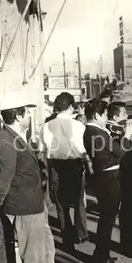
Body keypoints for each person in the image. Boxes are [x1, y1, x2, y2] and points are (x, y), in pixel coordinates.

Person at [0, 95, 71, 263]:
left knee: (46, 251)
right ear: (18, 115)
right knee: (34, 256)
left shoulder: (14, 137)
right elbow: (3, 180)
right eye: (27, 111)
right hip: (24, 207)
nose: (30, 115)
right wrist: (0, 207)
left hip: (34, 205)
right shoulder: (5, 140)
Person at [83, 99, 132, 263]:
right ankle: (101, 256)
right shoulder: (99, 133)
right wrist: (126, 135)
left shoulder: (92, 131)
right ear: (97, 115)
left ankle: (102, 254)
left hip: (104, 176)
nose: (106, 118)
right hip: (108, 177)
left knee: (107, 218)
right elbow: (120, 152)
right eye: (104, 115)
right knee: (108, 219)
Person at [42, 92, 91, 251]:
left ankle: (67, 238)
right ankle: (81, 233)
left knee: (61, 205)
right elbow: (81, 148)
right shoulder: (78, 126)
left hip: (55, 165)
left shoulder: (47, 125)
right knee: (78, 202)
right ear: (70, 107)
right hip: (74, 165)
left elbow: (45, 147)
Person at [106, 101, 132, 259]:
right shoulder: (113, 131)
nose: (127, 116)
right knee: (129, 210)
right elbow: (122, 151)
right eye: (124, 113)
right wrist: (126, 134)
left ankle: (131, 242)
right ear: (116, 116)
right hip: (126, 174)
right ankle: (127, 245)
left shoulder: (124, 130)